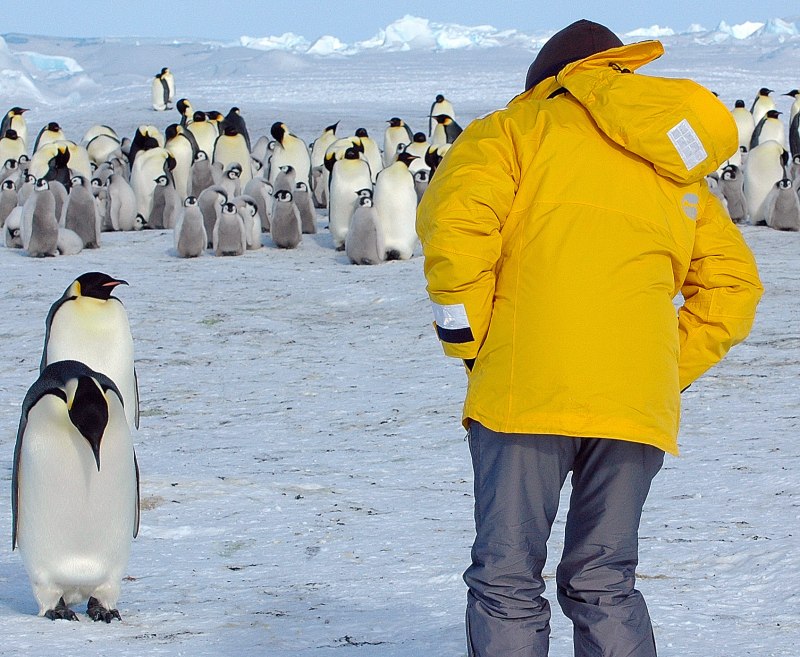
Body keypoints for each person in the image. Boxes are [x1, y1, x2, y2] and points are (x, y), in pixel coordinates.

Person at [416, 19, 764, 657]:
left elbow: (456, 238)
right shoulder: (673, 169)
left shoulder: (510, 132)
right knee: (604, 580)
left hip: (525, 397)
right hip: (635, 408)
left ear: (546, 82)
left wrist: (474, 348)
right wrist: (657, 369)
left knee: (507, 580)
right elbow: (734, 289)